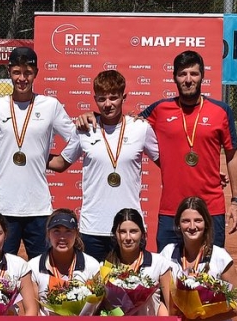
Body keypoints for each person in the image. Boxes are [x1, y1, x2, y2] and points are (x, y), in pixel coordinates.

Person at [49, 70, 159, 260]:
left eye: (113, 98)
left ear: (124, 97)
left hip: (128, 228)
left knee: (130, 286)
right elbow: (60, 163)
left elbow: (167, 162)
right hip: (93, 228)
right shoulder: (85, 129)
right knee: (93, 287)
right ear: (95, 99)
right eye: (102, 99)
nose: (107, 104)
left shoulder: (140, 128)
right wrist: (28, 154)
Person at [139, 50, 237, 249]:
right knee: (168, 274)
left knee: (210, 273)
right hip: (172, 211)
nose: (188, 80)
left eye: (194, 74)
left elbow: (232, 155)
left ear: (202, 76)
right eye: (182, 74)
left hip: (210, 209)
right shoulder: (159, 110)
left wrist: (236, 201)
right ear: (174, 77)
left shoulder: (221, 111)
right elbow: (125, 125)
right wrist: (95, 116)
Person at [0, 47, 76, 258]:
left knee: (44, 268)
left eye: (28, 72)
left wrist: (60, 161)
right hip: (4, 205)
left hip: (39, 206)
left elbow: (76, 138)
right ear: (8, 72)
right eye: (17, 72)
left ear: (36, 73)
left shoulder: (50, 106)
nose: (22, 78)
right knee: (1, 269)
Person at [26, 209, 102, 309]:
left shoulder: (92, 265)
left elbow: (95, 309)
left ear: (77, 233)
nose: (62, 237)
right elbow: (33, 310)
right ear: (48, 233)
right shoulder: (33, 266)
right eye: (56, 231)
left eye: (68, 231)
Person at [105, 208, 173, 316]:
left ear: (142, 234)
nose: (128, 237)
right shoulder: (105, 267)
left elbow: (171, 307)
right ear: (115, 234)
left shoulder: (159, 263)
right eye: (122, 232)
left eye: (133, 231)